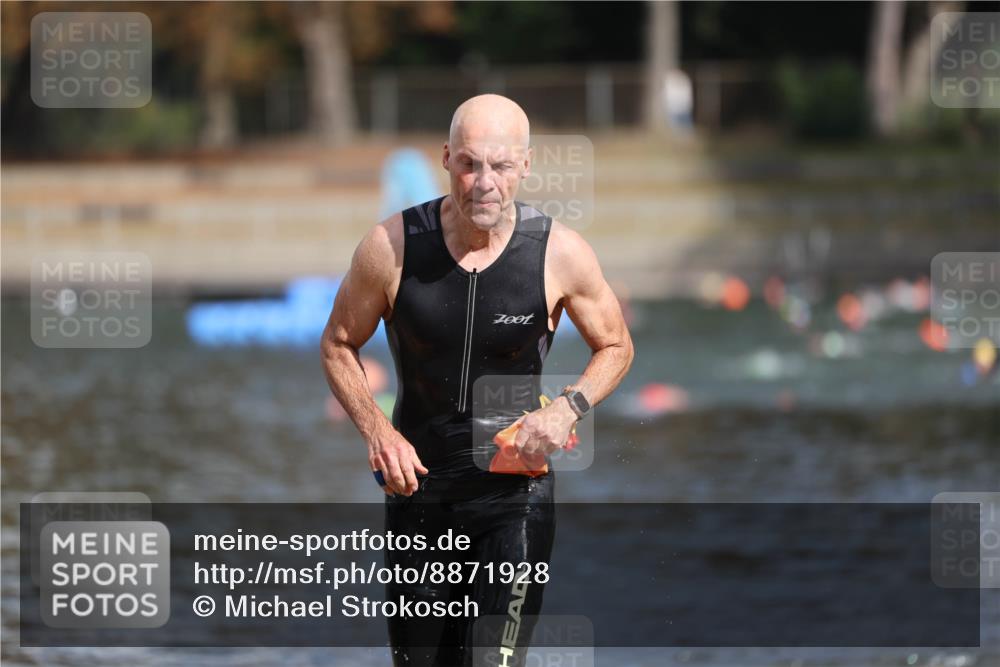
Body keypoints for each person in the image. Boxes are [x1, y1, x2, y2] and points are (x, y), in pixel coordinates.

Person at [320, 94, 634, 666]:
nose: (483, 182)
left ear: (526, 166)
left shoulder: (557, 253)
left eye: (500, 165)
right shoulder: (390, 249)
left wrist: (566, 408)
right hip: (418, 500)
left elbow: (616, 346)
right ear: (445, 158)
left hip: (513, 501)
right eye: (469, 163)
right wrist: (376, 430)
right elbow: (339, 343)